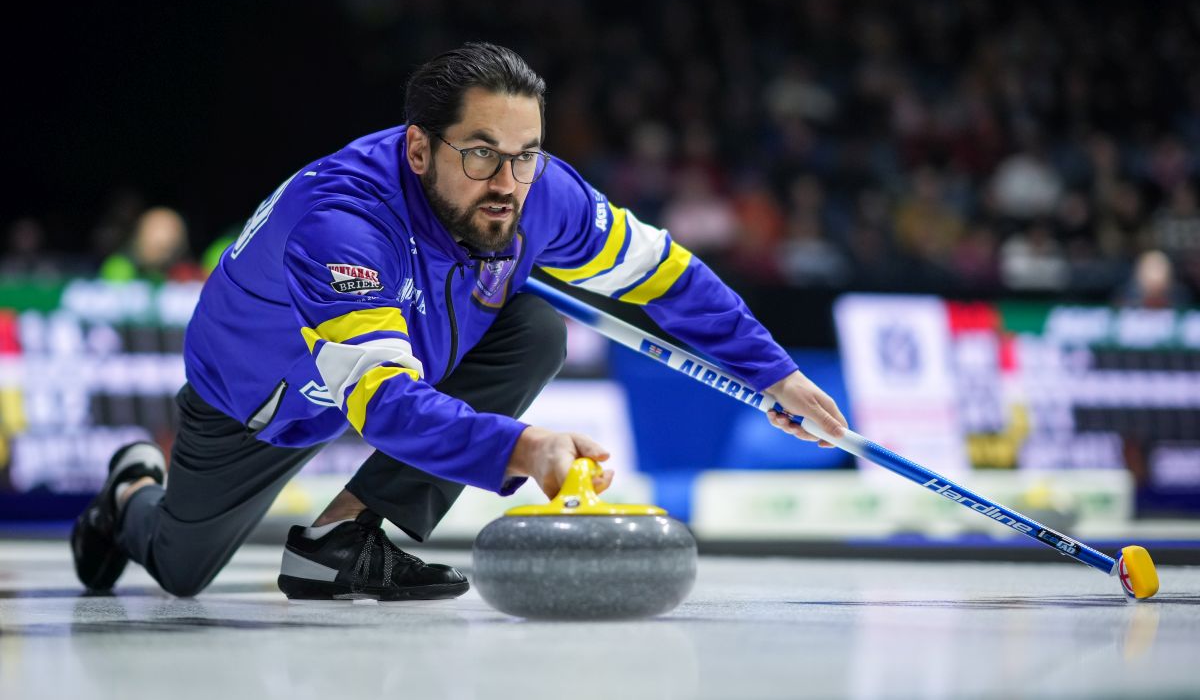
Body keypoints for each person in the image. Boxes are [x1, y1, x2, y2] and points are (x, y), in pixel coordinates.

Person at [71, 43, 849, 601]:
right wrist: (521, 445)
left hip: (418, 336)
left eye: (526, 154)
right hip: (265, 393)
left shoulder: (541, 193)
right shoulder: (343, 227)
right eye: (480, 154)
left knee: (538, 326)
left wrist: (773, 373)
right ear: (418, 148)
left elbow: (666, 276)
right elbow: (381, 403)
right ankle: (132, 486)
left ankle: (340, 542)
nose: (508, 182)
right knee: (180, 568)